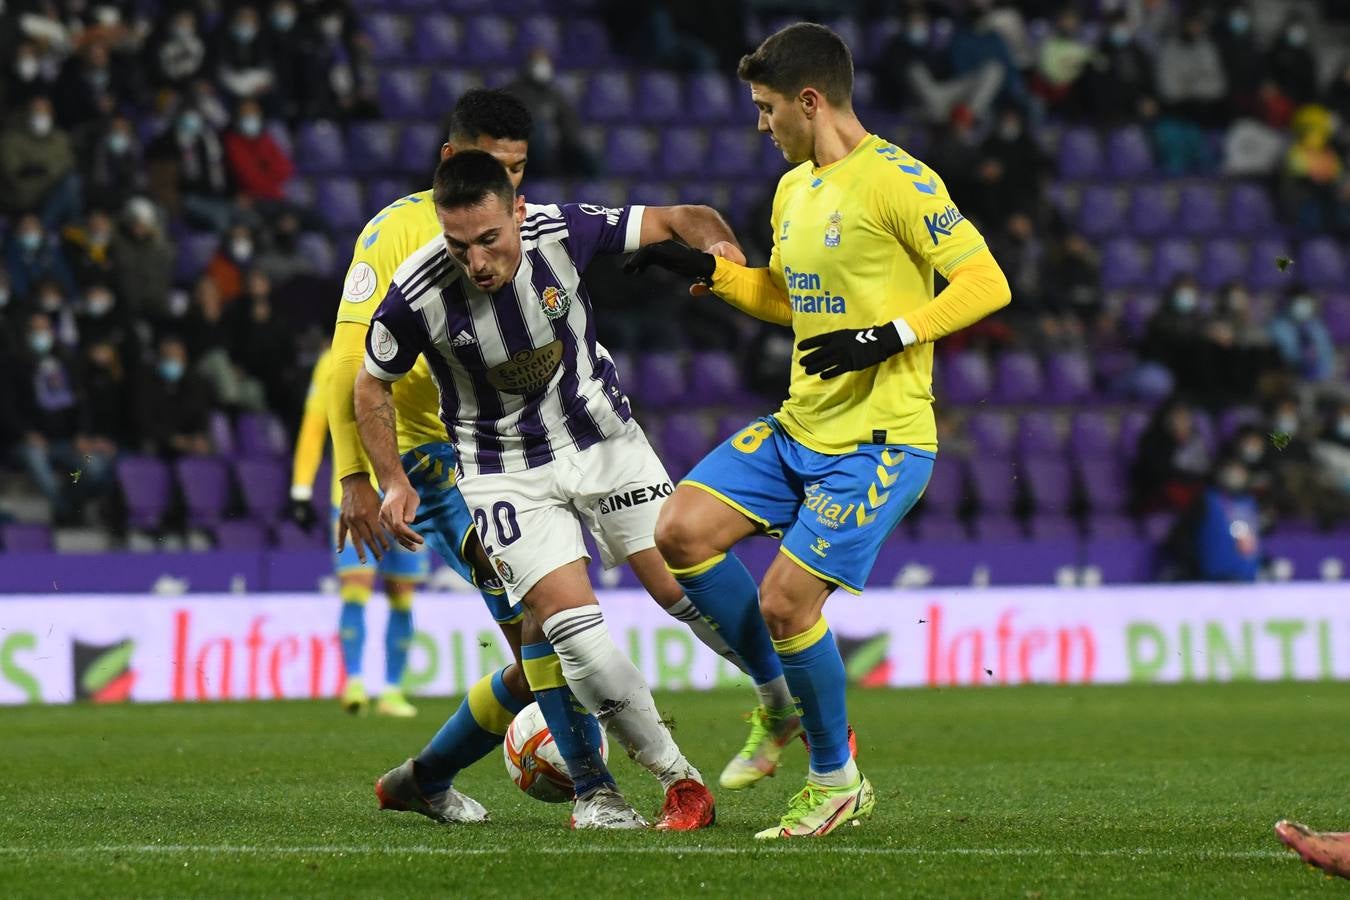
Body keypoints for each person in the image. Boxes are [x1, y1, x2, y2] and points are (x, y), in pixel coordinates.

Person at [628, 23, 1010, 838]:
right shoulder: (793, 189)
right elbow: (788, 299)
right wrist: (710, 275)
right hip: (802, 424)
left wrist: (890, 335)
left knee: (786, 601)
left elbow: (987, 281)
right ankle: (780, 703)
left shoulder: (899, 180)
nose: (759, 125)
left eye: (767, 109)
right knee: (681, 531)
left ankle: (836, 779)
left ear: (810, 101)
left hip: (879, 443)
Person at [332, 89, 729, 830]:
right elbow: (348, 367)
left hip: (553, 446)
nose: (517, 185)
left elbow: (664, 224)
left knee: (537, 639)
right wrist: (361, 476)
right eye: (501, 167)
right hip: (442, 464)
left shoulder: (532, 225)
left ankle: (427, 775)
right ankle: (595, 789)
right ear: (457, 159)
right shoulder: (395, 243)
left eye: (521, 170)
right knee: (544, 625)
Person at [290, 344, 426, 717]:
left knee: (402, 595)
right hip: (354, 494)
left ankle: (393, 691)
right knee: (356, 588)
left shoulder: (414, 348)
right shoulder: (333, 359)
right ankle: (354, 682)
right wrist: (301, 488)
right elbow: (316, 424)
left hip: (409, 492)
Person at [0, 95, 81, 229]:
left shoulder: (60, 139)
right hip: (22, 196)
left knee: (73, 183)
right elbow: (14, 174)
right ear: (27, 113)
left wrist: (40, 169)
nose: (40, 116)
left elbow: (68, 166)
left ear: (52, 114)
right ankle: (42, 231)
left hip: (52, 195)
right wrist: (48, 172)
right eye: (36, 111)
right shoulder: (10, 139)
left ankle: (70, 232)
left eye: (45, 112)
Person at [135, 335, 213, 459]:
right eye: (167, 357)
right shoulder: (146, 384)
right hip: (158, 443)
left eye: (177, 356)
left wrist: (197, 436)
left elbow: (200, 414)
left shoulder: (195, 384)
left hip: (188, 441)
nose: (173, 361)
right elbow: (144, 421)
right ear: (159, 358)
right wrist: (172, 440)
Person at [1269, 286, 1337, 383]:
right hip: (1290, 380)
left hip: (1320, 380)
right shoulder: (1277, 327)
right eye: (1298, 301)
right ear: (1288, 303)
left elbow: (1327, 355)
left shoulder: (1317, 325)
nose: (1302, 305)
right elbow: (1287, 357)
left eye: (1305, 301)